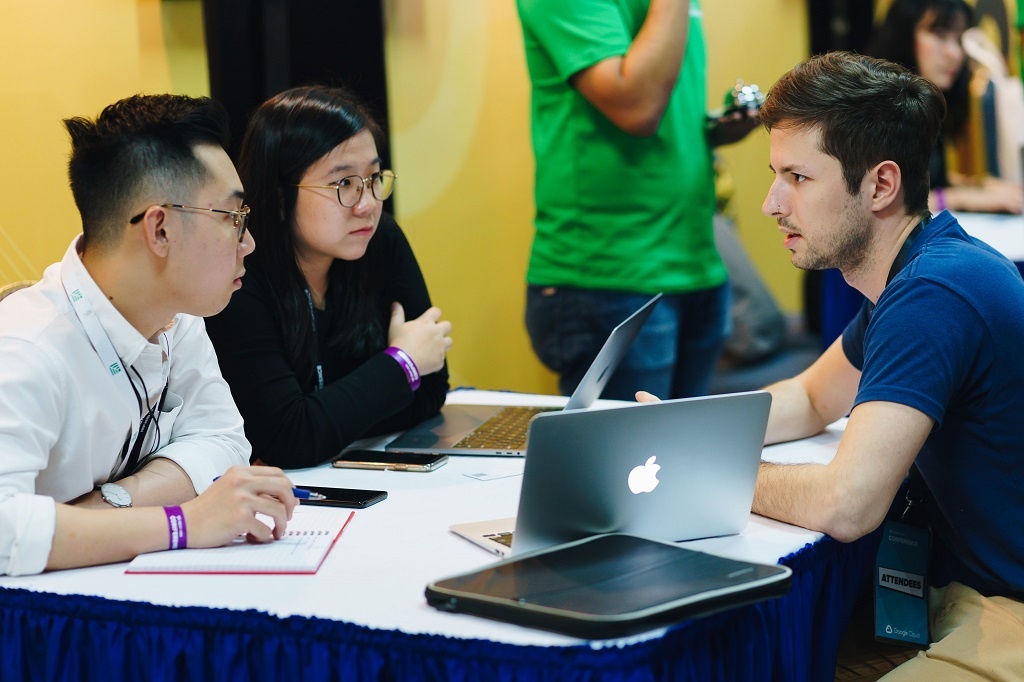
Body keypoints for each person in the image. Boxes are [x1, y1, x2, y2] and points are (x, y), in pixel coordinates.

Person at [642, 51, 1024, 677]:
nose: (772, 203)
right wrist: (691, 425)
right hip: (960, 592)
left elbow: (847, 504)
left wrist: (698, 464)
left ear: (880, 185)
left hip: (1006, 609)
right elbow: (814, 398)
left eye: (797, 177)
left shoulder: (934, 294)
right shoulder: (917, 272)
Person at [0, 94, 299, 577]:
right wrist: (181, 523)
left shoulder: (174, 317)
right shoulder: (26, 348)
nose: (249, 242)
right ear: (159, 229)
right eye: (233, 218)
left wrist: (107, 506)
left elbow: (223, 439)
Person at [515, 0, 759, 401]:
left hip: (696, 260)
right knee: (618, 462)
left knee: (687, 454)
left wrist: (710, 130)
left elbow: (665, 108)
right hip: (610, 275)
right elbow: (638, 106)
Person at [205, 86, 452, 469]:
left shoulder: (380, 240)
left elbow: (432, 388)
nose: (368, 204)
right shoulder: (240, 274)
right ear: (281, 196)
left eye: (374, 178)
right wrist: (401, 362)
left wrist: (326, 419)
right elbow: (286, 437)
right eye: (344, 185)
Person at [867, 0, 1024, 214]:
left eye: (959, 40)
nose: (955, 53)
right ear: (902, 35)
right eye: (941, 36)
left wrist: (978, 185)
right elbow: (881, 201)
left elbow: (924, 180)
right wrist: (964, 198)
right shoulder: (874, 113)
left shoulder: (926, 109)